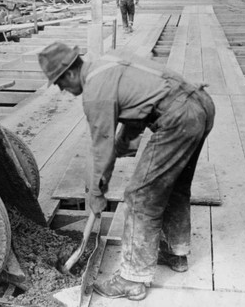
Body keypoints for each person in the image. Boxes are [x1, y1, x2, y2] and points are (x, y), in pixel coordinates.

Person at [38, 42, 215, 301]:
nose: (62, 89)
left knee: (139, 195)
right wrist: (119, 147)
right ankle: (175, 252)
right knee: (174, 185)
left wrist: (97, 194)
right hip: (200, 106)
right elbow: (138, 112)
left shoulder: (95, 93)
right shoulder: (109, 62)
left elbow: (101, 148)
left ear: (70, 74)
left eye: (59, 83)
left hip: (177, 119)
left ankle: (132, 278)